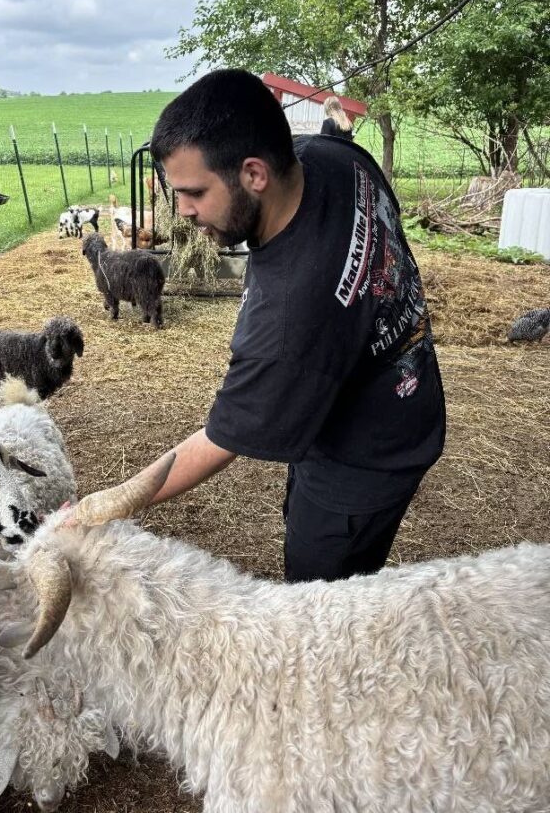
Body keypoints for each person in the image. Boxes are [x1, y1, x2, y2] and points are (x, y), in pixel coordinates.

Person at [140, 68, 446, 584]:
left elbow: (221, 439)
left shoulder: (287, 320)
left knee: (321, 597)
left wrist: (104, 505)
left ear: (254, 174)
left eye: (194, 192)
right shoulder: (334, 158)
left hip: (364, 459)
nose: (183, 211)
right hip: (403, 395)